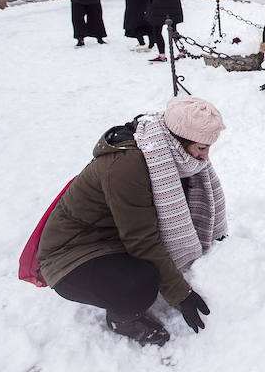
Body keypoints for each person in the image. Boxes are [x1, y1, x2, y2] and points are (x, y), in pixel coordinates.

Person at [36, 96, 227, 346]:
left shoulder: (161, 149)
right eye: (201, 148)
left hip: (114, 239)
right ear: (179, 141)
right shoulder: (128, 166)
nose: (205, 158)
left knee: (150, 268)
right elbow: (142, 241)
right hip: (72, 255)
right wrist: (181, 294)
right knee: (140, 283)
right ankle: (122, 319)